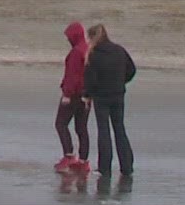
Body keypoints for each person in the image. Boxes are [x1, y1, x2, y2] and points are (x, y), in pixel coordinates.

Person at [83, 23, 137, 180]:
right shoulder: (119, 50)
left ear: (93, 37)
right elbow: (131, 70)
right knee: (120, 129)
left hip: (101, 97)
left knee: (104, 131)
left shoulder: (93, 55)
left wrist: (87, 95)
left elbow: (90, 79)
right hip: (118, 94)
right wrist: (121, 82)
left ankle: (105, 167)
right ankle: (127, 167)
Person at [55, 21, 92, 173]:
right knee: (81, 127)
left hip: (74, 95)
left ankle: (68, 155)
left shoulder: (76, 52)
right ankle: (83, 161)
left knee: (61, 124)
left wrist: (67, 94)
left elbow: (73, 76)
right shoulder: (89, 49)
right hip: (86, 95)